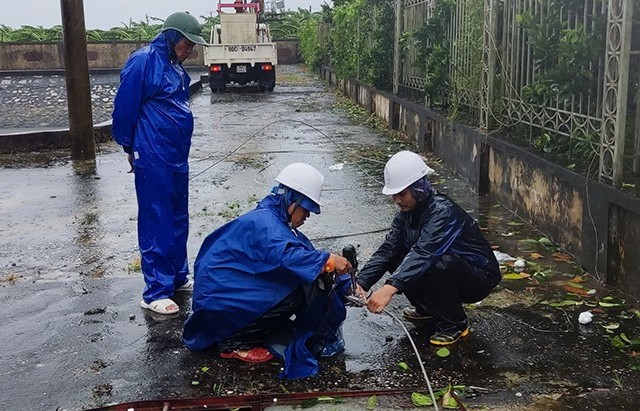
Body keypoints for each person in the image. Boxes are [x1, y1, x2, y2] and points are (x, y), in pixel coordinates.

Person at [183, 163, 352, 374]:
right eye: (306, 210)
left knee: (296, 284)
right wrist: (327, 259)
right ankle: (234, 343)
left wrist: (345, 282)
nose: (306, 217)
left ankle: (243, 330)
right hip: (219, 303)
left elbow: (298, 250)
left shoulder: (269, 217)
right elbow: (288, 255)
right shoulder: (267, 224)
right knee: (294, 294)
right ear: (294, 200)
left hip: (222, 294)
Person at [111, 12, 208, 315]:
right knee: (157, 219)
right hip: (153, 156)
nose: (190, 50)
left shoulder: (175, 68)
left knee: (179, 218)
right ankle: (155, 290)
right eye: (187, 43)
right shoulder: (144, 61)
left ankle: (177, 276)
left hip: (177, 157)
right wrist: (129, 145)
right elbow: (125, 108)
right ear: (171, 37)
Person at [355, 151, 501, 345]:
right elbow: (387, 250)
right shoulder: (404, 216)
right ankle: (427, 309)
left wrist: (388, 289)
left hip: (478, 276)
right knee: (397, 255)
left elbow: (425, 252)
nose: (397, 200)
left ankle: (455, 323)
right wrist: (361, 282)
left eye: (402, 194)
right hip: (448, 267)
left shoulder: (443, 211)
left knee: (435, 263)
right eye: (394, 195)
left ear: (418, 188)